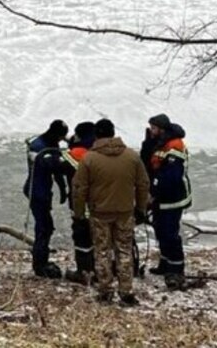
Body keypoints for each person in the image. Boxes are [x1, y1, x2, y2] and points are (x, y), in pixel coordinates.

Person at [72, 118, 150, 306]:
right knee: (124, 250)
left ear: (96, 135)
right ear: (113, 133)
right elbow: (143, 184)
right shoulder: (131, 156)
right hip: (124, 212)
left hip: (99, 213)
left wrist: (79, 213)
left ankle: (106, 290)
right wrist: (141, 208)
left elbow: (79, 188)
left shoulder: (89, 158)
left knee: (102, 251)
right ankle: (126, 291)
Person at [143, 113, 192, 290]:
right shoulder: (158, 143)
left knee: (170, 233)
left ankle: (176, 270)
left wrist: (153, 193)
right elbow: (147, 163)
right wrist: (147, 143)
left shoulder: (175, 146)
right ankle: (165, 263)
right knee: (160, 230)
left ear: (162, 129)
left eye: (154, 128)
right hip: (159, 197)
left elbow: (170, 177)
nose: (151, 131)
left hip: (173, 198)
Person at [22, 119, 69, 278]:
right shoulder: (39, 148)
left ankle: (41, 260)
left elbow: (55, 169)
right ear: (56, 134)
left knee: (45, 226)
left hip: (40, 190)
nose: (62, 140)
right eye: (62, 137)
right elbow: (55, 166)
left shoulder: (47, 142)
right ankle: (39, 265)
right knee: (44, 227)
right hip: (37, 192)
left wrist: (62, 188)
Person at [59, 121, 96, 284]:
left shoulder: (76, 154)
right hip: (102, 205)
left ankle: (84, 271)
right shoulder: (100, 151)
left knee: (82, 238)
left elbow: (57, 164)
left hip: (81, 205)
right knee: (101, 239)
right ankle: (100, 270)